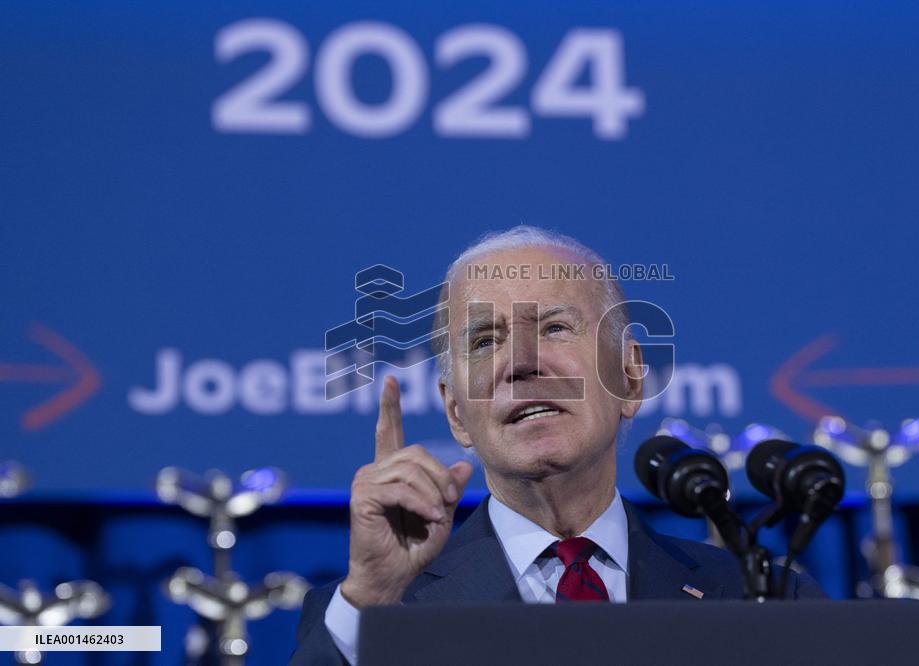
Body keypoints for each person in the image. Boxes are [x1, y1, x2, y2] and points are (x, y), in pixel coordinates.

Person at [290, 226, 826, 665]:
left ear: (631, 378)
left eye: (554, 328)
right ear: (457, 413)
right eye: (485, 341)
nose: (521, 362)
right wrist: (374, 598)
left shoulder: (758, 598)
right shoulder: (379, 609)